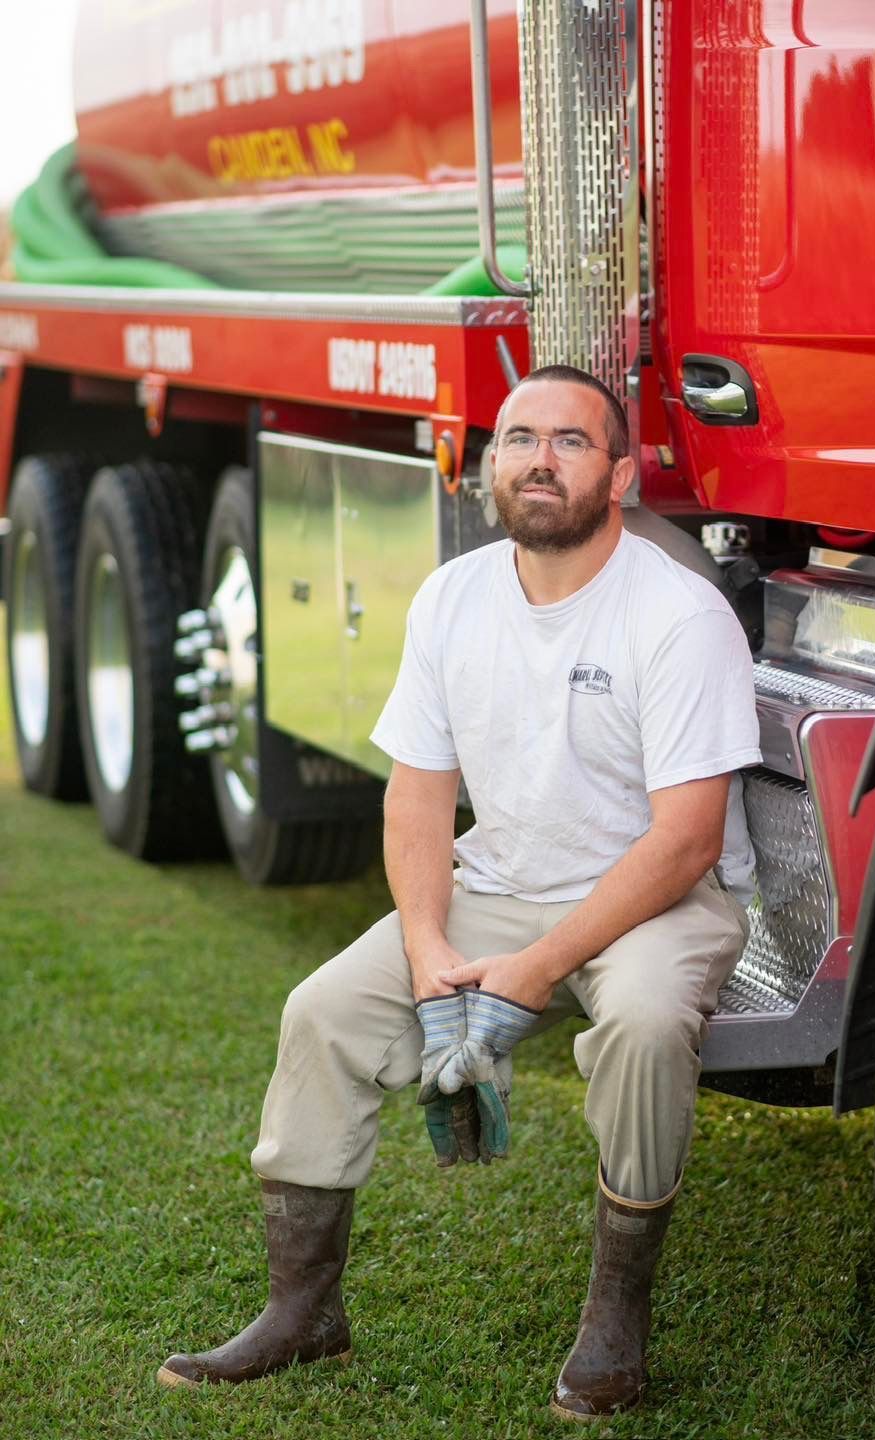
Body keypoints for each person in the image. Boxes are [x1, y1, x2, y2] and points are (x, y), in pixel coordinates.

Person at [156, 364, 762, 1420]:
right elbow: (418, 802)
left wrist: (530, 972)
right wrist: (433, 952)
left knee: (647, 1027)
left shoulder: (678, 614)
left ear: (617, 476)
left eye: (569, 442)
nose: (538, 460)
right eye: (518, 438)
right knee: (324, 1013)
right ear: (490, 467)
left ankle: (614, 1323)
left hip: (654, 903)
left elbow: (685, 841)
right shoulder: (453, 596)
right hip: (500, 883)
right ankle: (304, 1313)